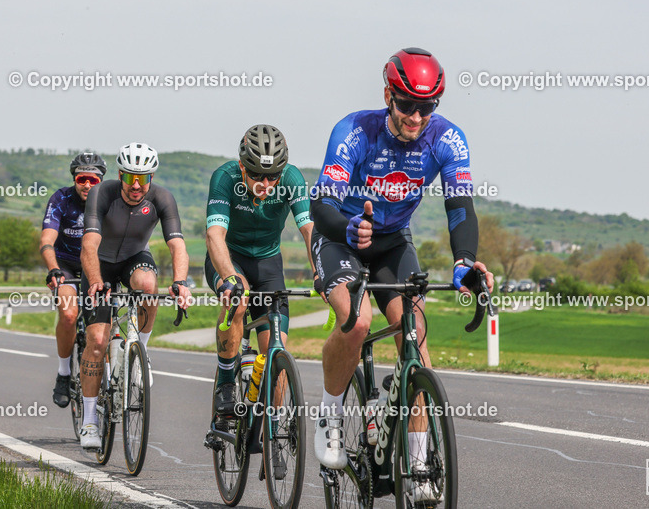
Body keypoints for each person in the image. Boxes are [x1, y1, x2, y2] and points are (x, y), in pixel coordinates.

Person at [310, 48, 494, 502]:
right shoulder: (354, 131)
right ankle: (330, 415)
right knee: (358, 321)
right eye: (407, 104)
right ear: (388, 95)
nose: (416, 116)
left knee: (415, 339)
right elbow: (321, 205)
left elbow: (459, 207)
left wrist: (465, 260)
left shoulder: (448, 140)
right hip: (340, 235)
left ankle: (418, 463)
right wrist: (346, 226)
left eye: (427, 107)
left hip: (392, 240)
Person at [76, 142, 193, 450]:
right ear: (120, 175)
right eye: (130, 178)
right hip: (99, 262)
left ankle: (140, 352)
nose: (137, 185)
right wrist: (97, 280)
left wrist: (180, 281)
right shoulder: (102, 193)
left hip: (133, 257)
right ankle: (89, 420)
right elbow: (89, 244)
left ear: (151, 177)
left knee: (148, 285)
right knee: (98, 341)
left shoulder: (162, 198)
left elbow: (178, 246)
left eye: (143, 178)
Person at [205, 124, 313, 420]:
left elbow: (309, 231)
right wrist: (229, 277)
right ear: (242, 166)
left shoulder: (291, 178)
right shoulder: (225, 178)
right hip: (229, 258)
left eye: (272, 176)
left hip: (268, 264)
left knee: (275, 355)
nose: (265, 184)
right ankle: (226, 384)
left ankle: (273, 429)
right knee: (236, 300)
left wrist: (322, 274)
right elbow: (214, 235)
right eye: (255, 175)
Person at [41, 152, 107, 408]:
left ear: (101, 180)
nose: (87, 185)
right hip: (66, 264)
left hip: (97, 266)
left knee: (105, 327)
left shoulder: (109, 200)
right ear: (75, 179)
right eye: (82, 179)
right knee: (68, 315)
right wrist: (53, 269)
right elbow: (47, 240)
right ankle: (63, 372)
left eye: (93, 180)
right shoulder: (61, 199)